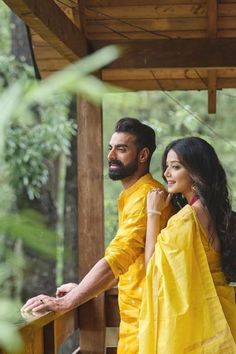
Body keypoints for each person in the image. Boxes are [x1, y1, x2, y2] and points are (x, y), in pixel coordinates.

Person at [21, 117, 173, 354]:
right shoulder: (132, 196)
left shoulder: (147, 196)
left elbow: (116, 260)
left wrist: (65, 303)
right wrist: (82, 288)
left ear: (143, 156)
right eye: (110, 148)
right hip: (138, 320)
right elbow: (125, 263)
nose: (111, 156)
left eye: (121, 149)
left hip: (149, 322)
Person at [139, 137, 236, 353]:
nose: (166, 174)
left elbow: (154, 268)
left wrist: (153, 214)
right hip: (225, 316)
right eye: (167, 167)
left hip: (204, 325)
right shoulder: (215, 212)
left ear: (196, 172)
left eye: (176, 167)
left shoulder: (186, 219)